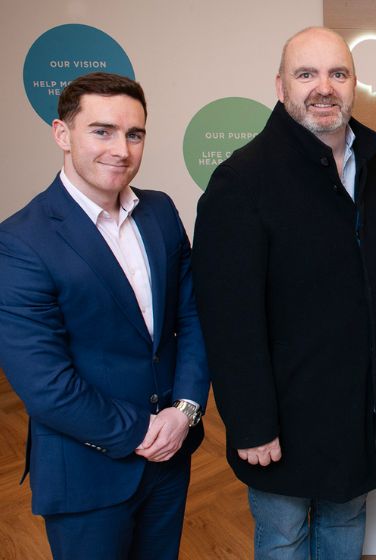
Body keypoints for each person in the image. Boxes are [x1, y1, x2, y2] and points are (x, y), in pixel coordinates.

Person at [192, 27, 376, 559]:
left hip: (360, 409)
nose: (324, 87)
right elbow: (228, 320)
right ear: (280, 86)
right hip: (281, 418)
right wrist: (251, 424)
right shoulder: (241, 181)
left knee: (345, 526)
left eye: (337, 73)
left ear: (355, 84)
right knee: (284, 537)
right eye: (306, 74)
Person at [0, 72, 209, 559]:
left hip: (169, 460)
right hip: (86, 472)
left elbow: (194, 318)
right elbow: (45, 384)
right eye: (102, 131)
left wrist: (184, 412)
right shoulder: (20, 241)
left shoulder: (160, 212)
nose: (121, 148)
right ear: (62, 133)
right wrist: (142, 432)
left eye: (134, 134)